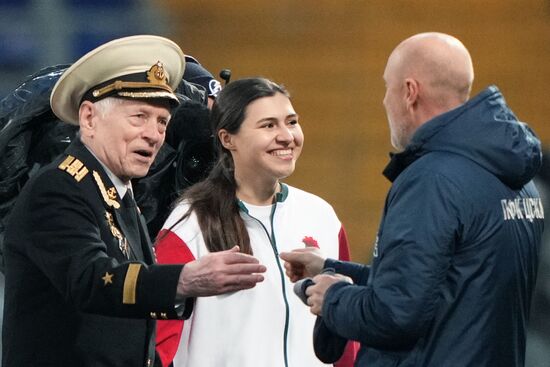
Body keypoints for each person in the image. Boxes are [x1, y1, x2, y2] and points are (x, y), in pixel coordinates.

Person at [280, 32, 544, 367]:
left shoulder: (432, 180)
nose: (384, 101)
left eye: (387, 87)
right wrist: (331, 268)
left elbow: (395, 315)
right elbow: (441, 287)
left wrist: (332, 297)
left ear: (409, 92)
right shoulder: (516, 179)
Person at [1, 35, 266, 367]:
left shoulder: (120, 197)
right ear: (88, 118)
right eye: (139, 117)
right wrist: (184, 279)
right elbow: (93, 281)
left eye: (162, 122)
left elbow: (125, 332)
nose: (153, 134)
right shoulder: (57, 188)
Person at [154, 77, 357, 367]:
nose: (287, 136)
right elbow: (159, 345)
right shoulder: (189, 224)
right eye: (268, 125)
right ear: (227, 139)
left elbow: (345, 337)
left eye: (292, 122)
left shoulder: (321, 215)